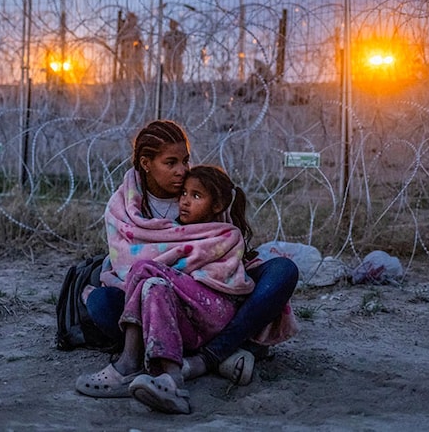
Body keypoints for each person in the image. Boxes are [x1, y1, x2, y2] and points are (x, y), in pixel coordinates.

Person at [76, 120, 298, 397]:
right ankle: (223, 352)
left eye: (185, 160)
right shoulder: (124, 207)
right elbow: (125, 265)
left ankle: (200, 357)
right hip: (152, 296)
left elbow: (226, 247)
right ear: (146, 163)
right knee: (102, 302)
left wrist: (190, 271)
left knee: (282, 271)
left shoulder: (202, 187)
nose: (182, 171)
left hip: (209, 292)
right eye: (170, 163)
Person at [79, 165, 254, 414]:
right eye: (183, 194)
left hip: (216, 310)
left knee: (144, 270)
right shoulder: (177, 231)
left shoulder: (225, 233)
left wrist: (156, 273)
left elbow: (208, 275)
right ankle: (171, 380)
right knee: (154, 285)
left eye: (196, 196)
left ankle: (129, 363)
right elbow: (173, 272)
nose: (184, 201)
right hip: (188, 318)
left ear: (216, 206)